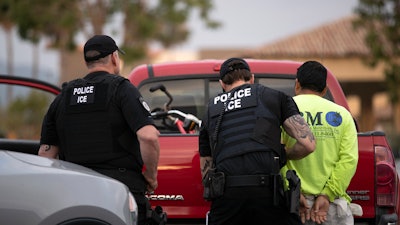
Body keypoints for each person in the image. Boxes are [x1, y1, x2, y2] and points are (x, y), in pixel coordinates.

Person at [38, 34, 160, 225]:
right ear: (114, 57)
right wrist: (151, 177)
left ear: (87, 61)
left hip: (75, 191)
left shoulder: (63, 97)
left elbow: (46, 156)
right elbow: (149, 136)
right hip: (120, 189)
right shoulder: (121, 89)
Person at [199, 57, 316, 225]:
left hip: (228, 195)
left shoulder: (211, 109)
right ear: (252, 78)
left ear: (222, 84)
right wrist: (283, 154)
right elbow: (308, 144)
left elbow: (206, 171)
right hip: (267, 193)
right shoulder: (273, 96)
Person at [281, 60, 359, 225]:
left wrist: (294, 192)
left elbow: (276, 154)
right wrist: (327, 194)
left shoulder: (283, 111)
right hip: (331, 208)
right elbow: (349, 159)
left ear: (297, 84)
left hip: (294, 207)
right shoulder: (343, 115)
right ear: (324, 89)